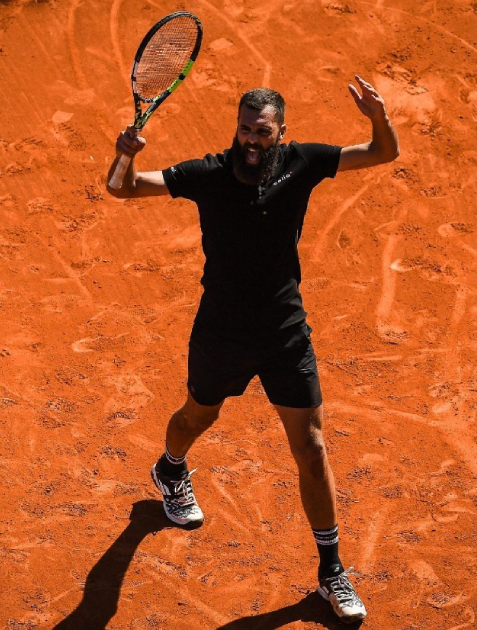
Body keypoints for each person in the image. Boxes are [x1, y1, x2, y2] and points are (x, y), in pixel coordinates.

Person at [106, 76, 399, 624]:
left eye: (262, 132)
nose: (251, 140)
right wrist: (123, 157)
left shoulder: (304, 163)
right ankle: (171, 470)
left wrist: (378, 116)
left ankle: (331, 569)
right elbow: (124, 189)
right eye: (244, 130)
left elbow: (384, 152)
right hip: (221, 332)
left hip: (285, 332)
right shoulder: (209, 175)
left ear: (281, 134)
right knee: (196, 418)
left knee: (311, 448)